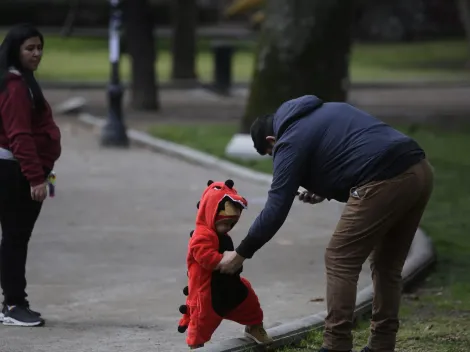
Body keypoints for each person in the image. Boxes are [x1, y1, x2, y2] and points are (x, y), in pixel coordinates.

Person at [217, 95, 434, 352]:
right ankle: (382, 344)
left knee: (340, 258)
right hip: (419, 170)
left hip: (384, 179)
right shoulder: (327, 110)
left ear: (271, 141)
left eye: (272, 154)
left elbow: (276, 208)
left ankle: (336, 344)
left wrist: (240, 254)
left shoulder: (289, 140)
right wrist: (325, 188)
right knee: (387, 265)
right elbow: (352, 150)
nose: (277, 158)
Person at [0, 23, 62, 327]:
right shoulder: (15, 88)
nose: (36, 54)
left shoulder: (22, 82)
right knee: (14, 238)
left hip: (23, 170)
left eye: (39, 48)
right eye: (30, 48)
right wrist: (36, 178)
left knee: (16, 238)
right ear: (15, 50)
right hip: (16, 173)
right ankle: (13, 304)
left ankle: (13, 302)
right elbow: (19, 136)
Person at [177, 179, 273, 349]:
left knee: (250, 303)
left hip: (231, 285)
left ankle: (254, 327)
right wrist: (223, 259)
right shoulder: (202, 235)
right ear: (211, 213)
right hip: (208, 291)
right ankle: (196, 345)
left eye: (232, 224)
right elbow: (204, 256)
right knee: (201, 322)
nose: (228, 228)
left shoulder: (221, 234)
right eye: (225, 223)